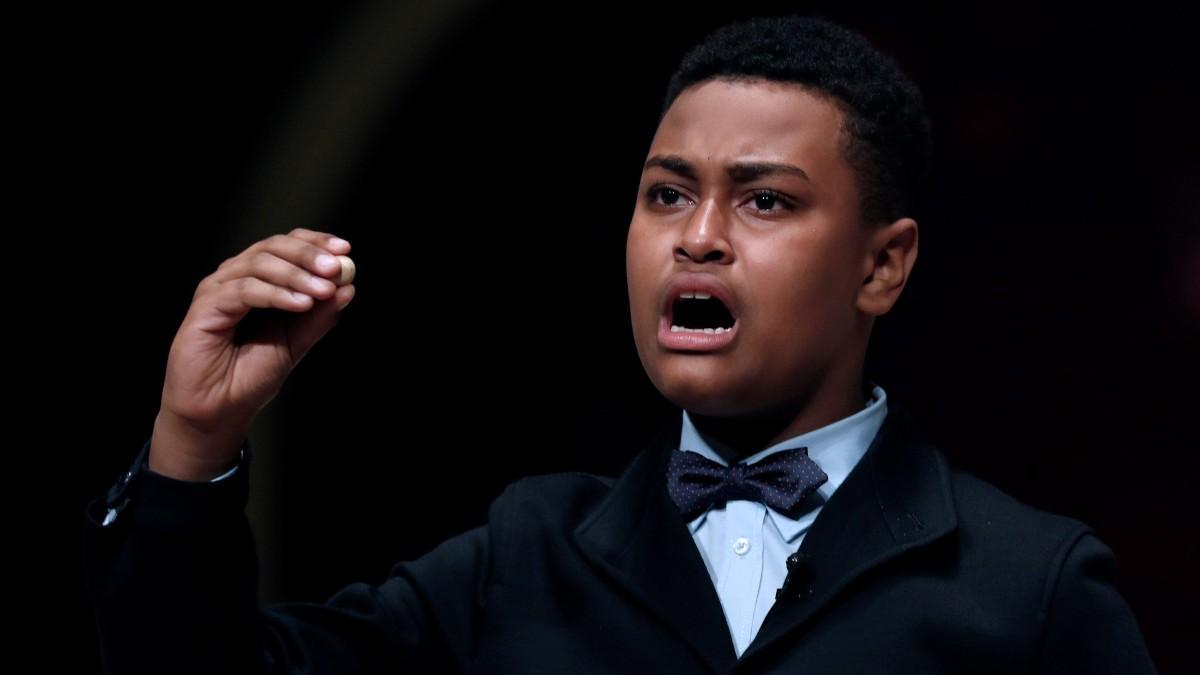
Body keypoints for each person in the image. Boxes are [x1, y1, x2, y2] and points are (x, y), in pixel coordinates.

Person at [82, 15, 1157, 674]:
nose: (698, 235)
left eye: (765, 201)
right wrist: (195, 440)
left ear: (883, 265)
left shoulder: (1034, 587)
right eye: (666, 193)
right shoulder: (523, 557)